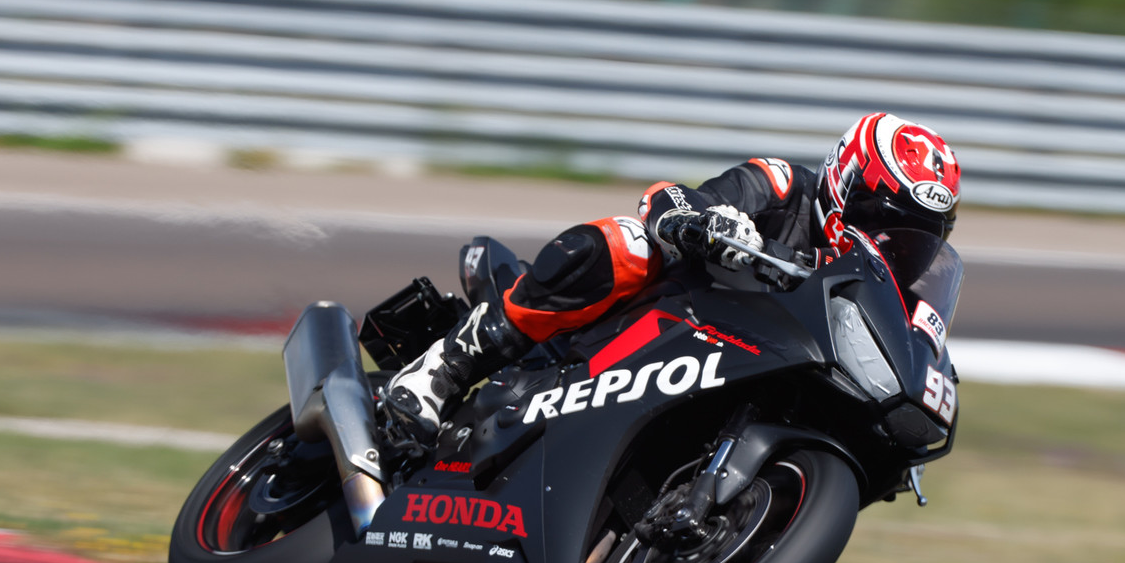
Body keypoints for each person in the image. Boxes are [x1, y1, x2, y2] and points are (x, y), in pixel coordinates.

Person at [384, 112, 962, 442]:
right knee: (630, 243)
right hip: (653, 326)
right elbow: (671, 198)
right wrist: (703, 223)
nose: (894, 245)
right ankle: (444, 369)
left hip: (737, 375)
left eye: (919, 239)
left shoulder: (890, 290)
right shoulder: (784, 185)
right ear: (845, 182)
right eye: (884, 220)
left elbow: (919, 353)